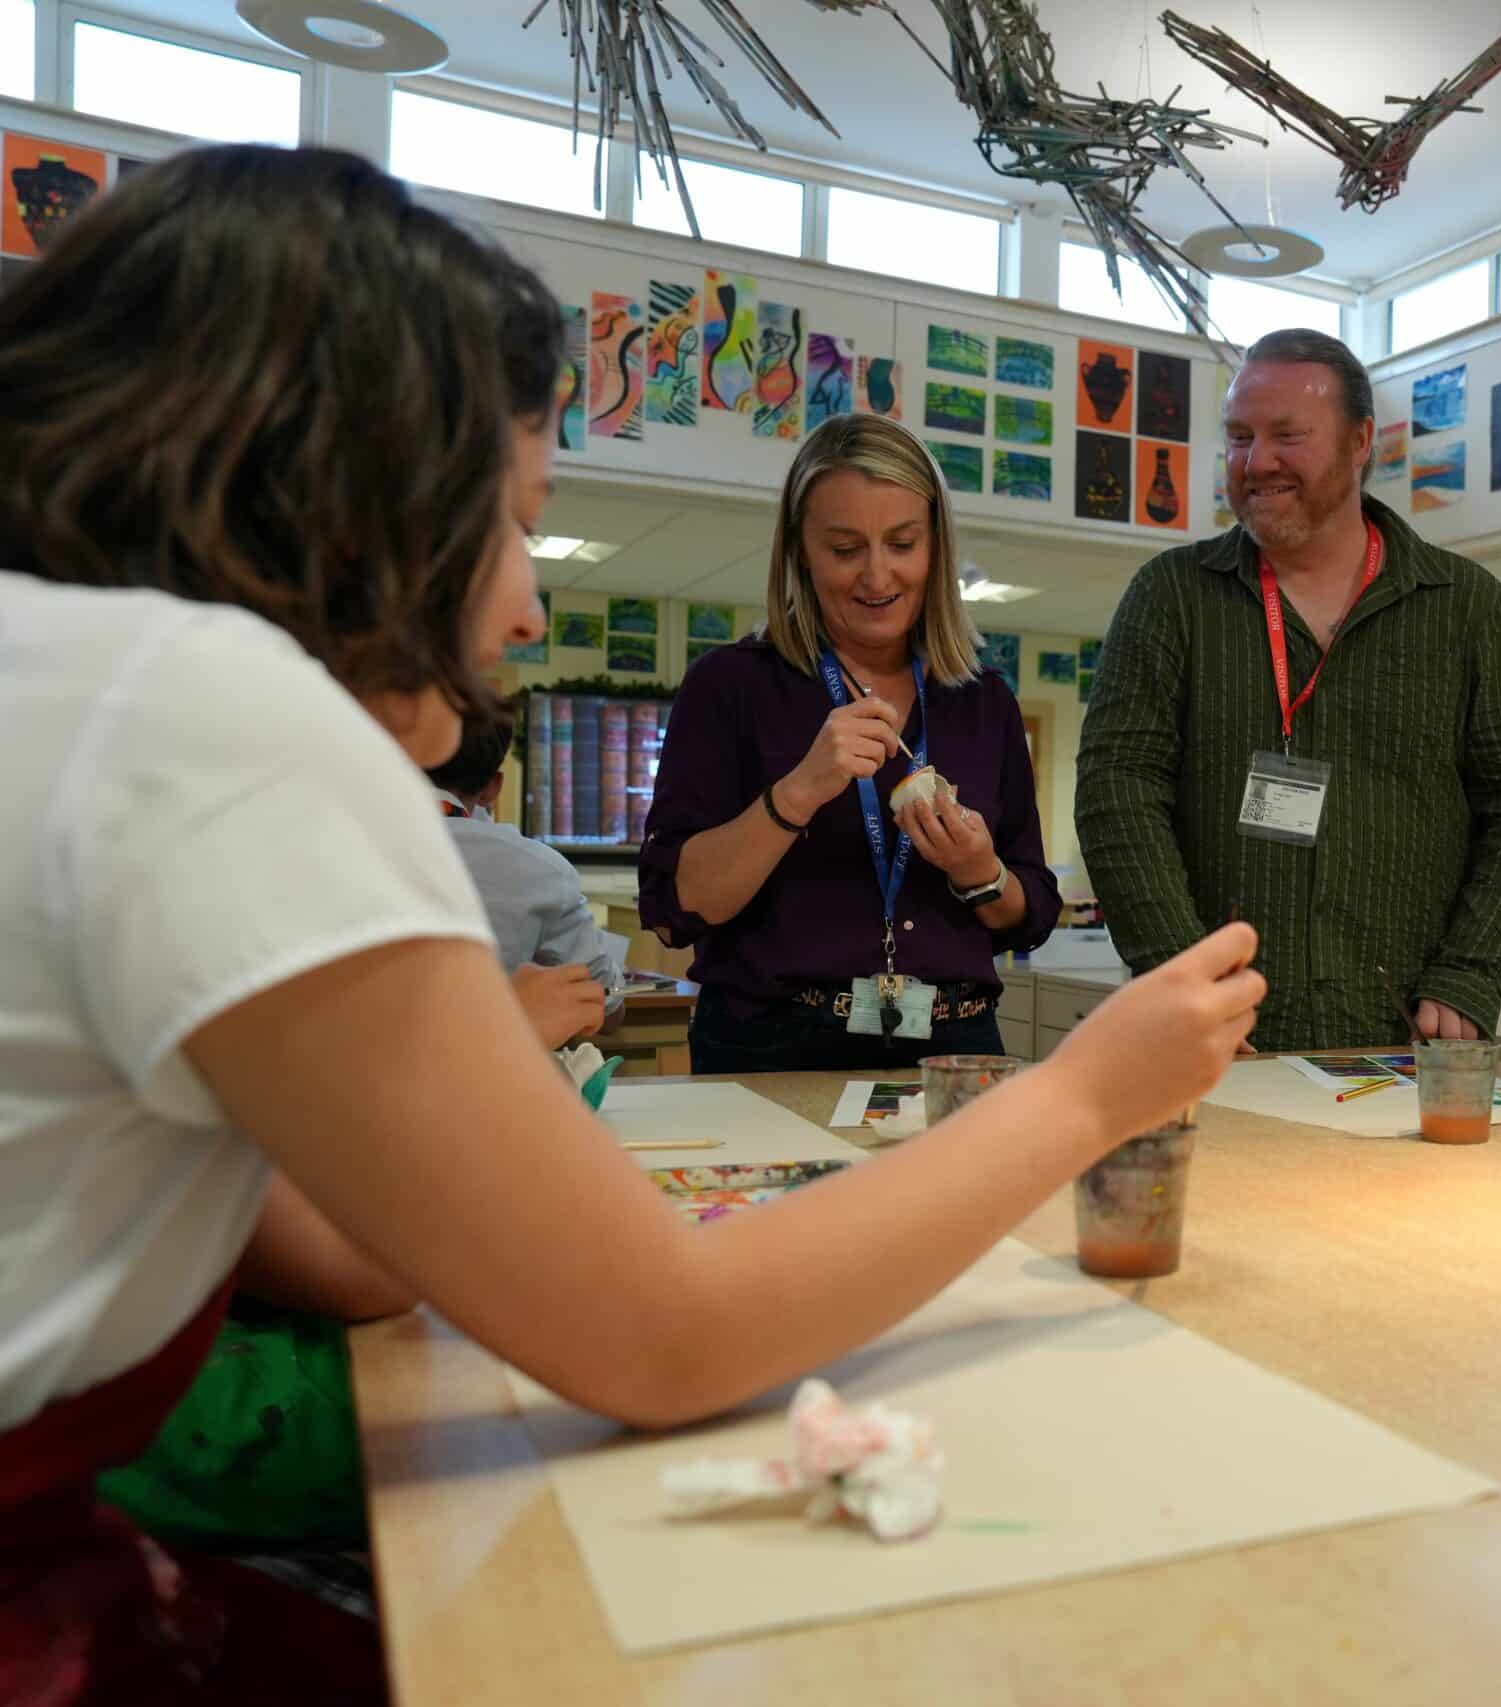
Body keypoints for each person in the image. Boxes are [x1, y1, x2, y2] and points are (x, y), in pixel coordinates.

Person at [0, 144, 1264, 1702]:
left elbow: (337, 1239)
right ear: (356, 496)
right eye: (515, 521)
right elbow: (666, 1340)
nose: (527, 607)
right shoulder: (208, 714)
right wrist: (1089, 1091)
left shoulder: (74, 673)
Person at [1077, 328, 1501, 1052]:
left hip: (1405, 1041)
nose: (1257, 461)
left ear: (1360, 440)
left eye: (1288, 435)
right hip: (1215, 1038)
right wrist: (1182, 978)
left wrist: (1471, 970)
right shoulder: (1171, 598)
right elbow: (1116, 792)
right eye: (1239, 437)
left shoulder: (1468, 609)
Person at [639, 414, 1061, 1073]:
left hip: (954, 1046)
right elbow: (676, 907)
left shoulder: (983, 701)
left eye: (902, 543)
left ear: (936, 548)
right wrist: (797, 793)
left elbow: (1030, 914)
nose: (877, 575)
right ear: (800, 552)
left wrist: (980, 871)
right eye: (844, 549)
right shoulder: (730, 687)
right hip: (774, 1045)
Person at [426, 711, 620, 1046]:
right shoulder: (542, 871)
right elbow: (607, 1005)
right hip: (490, 1068)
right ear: (493, 788)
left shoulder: (340, 844)